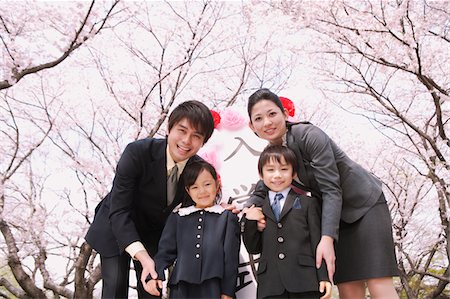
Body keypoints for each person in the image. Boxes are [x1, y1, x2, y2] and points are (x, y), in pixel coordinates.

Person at [246, 88, 399, 299]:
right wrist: (248, 209)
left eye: (272, 114)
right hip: (333, 219)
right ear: (251, 125)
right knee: (348, 289)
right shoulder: (273, 154)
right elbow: (262, 188)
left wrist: (326, 238)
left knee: (377, 282)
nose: (267, 123)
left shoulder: (309, 135)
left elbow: (331, 188)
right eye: (259, 118)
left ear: (285, 114)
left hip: (363, 207)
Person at [85, 100, 215, 298]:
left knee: (152, 291)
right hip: (115, 224)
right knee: (115, 288)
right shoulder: (137, 152)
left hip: (154, 236)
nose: (187, 141)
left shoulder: (198, 169)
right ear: (169, 128)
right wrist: (142, 256)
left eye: (196, 136)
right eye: (182, 130)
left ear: (203, 142)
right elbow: (119, 210)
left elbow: (198, 209)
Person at [242, 145, 332, 299]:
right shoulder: (256, 209)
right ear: (261, 174)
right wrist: (250, 222)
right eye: (270, 170)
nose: (277, 175)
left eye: (284, 169)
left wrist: (323, 276)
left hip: (305, 281)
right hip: (270, 285)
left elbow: (317, 242)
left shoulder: (308, 203)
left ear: (293, 173)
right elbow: (253, 248)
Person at [146, 160, 240, 299]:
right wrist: (154, 275)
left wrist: (227, 291)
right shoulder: (178, 217)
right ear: (187, 191)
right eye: (195, 187)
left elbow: (231, 259)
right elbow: (165, 252)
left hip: (214, 287)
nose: (202, 191)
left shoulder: (226, 218)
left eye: (207, 184)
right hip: (181, 287)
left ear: (217, 184)